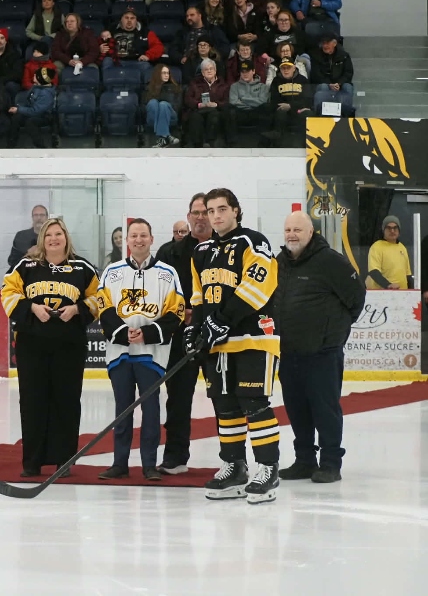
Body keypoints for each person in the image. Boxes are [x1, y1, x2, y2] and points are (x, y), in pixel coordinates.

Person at [186, 188, 280, 504]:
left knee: (254, 403)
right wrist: (196, 329)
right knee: (225, 405)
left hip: (253, 338)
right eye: (210, 211)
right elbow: (199, 296)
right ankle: (235, 466)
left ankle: (268, 467)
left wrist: (222, 320)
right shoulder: (201, 251)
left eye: (222, 209)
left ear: (236, 211)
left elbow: (257, 287)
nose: (215, 216)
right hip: (218, 343)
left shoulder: (253, 242)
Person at [1, 218, 99, 477]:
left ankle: (64, 461)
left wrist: (78, 309)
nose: (54, 239)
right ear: (42, 239)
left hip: (70, 346)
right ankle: (32, 462)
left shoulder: (83, 268)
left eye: (58, 234)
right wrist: (32, 308)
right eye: (48, 235)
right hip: (32, 345)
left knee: (66, 401)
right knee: (32, 401)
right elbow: (7, 293)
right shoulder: (26, 266)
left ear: (66, 237)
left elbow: (99, 297)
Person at [276, 211, 365, 484]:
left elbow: (356, 297)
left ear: (310, 232)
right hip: (288, 351)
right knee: (296, 409)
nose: (292, 235)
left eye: (297, 230)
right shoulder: (279, 263)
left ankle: (330, 463)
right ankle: (305, 461)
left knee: (325, 410)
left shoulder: (330, 261)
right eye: (288, 230)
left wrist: (333, 331)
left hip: (322, 353)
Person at [97, 219, 184, 480]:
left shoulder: (167, 273)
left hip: (152, 354)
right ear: (127, 241)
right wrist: (123, 333)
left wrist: (147, 333)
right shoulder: (111, 271)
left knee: (151, 410)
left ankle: (149, 464)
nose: (138, 240)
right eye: (134, 235)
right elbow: (103, 307)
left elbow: (176, 312)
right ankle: (119, 463)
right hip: (120, 353)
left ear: (151, 239)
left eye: (143, 235)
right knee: (122, 409)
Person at [154, 193, 211, 474]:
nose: (201, 217)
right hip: (181, 336)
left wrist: (199, 314)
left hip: (217, 335)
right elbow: (157, 292)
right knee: (177, 399)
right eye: (195, 212)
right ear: (188, 217)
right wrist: (181, 312)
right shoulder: (169, 253)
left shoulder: (229, 250)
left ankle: (233, 458)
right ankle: (175, 457)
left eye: (206, 212)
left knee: (225, 399)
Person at [262, 58, 311, 146]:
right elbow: (274, 99)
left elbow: (307, 99)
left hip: (299, 110)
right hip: (282, 110)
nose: (286, 70)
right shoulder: (276, 81)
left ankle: (306, 145)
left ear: (294, 68)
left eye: (288, 67)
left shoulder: (303, 80)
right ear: (280, 69)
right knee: (280, 112)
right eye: (283, 68)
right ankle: (278, 145)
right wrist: (285, 107)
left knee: (307, 113)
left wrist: (291, 106)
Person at [184, 58, 230, 148]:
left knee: (214, 116)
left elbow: (227, 101)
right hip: (198, 109)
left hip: (216, 110)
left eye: (211, 69)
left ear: (215, 71)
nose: (209, 71)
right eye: (206, 69)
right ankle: (197, 145)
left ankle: (210, 143)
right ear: (202, 72)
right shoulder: (194, 83)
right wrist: (199, 104)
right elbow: (188, 99)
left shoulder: (223, 85)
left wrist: (216, 104)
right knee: (195, 117)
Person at [98, 8, 163, 70]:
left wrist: (148, 56)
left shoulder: (146, 32)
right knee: (107, 61)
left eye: (132, 18)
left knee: (145, 66)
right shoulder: (111, 30)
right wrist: (100, 47)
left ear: (136, 20)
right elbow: (98, 43)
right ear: (121, 19)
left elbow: (158, 47)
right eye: (126, 18)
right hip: (116, 60)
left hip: (137, 61)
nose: (129, 20)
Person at [7, 67, 57, 149]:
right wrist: (19, 108)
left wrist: (19, 109)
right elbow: (28, 101)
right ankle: (11, 144)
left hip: (44, 116)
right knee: (16, 117)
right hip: (32, 111)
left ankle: (41, 146)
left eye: (35, 75)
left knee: (30, 122)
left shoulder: (46, 94)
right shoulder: (36, 86)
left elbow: (36, 111)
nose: (33, 76)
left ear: (40, 78)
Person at [225, 59, 270, 145]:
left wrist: (243, 99)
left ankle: (264, 142)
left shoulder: (263, 87)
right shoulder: (234, 86)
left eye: (247, 71)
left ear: (253, 71)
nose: (245, 74)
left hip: (256, 113)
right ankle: (232, 142)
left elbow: (262, 101)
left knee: (266, 107)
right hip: (240, 113)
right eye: (242, 72)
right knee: (228, 108)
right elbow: (233, 102)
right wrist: (253, 103)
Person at [310, 32, 355, 116]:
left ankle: (346, 115)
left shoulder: (344, 56)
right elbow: (316, 74)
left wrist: (339, 83)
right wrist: (329, 84)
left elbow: (348, 72)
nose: (325, 45)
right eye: (323, 43)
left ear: (334, 43)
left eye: (327, 43)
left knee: (348, 87)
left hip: (340, 83)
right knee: (323, 86)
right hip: (325, 83)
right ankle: (322, 114)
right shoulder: (316, 56)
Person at [366, 216, 412, 289]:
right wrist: (388, 285)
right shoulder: (376, 247)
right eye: (388, 228)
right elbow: (374, 272)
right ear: (383, 230)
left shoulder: (402, 248)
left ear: (399, 230)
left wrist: (413, 291)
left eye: (395, 228)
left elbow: (408, 274)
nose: (392, 231)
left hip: (403, 293)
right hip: (384, 293)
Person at [142, 63, 181, 147]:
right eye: (164, 73)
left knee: (163, 105)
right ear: (157, 74)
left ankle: (163, 136)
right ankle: (166, 136)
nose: (167, 75)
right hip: (152, 115)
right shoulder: (148, 88)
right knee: (153, 103)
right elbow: (143, 106)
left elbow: (177, 105)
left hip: (170, 115)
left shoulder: (175, 87)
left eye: (168, 73)